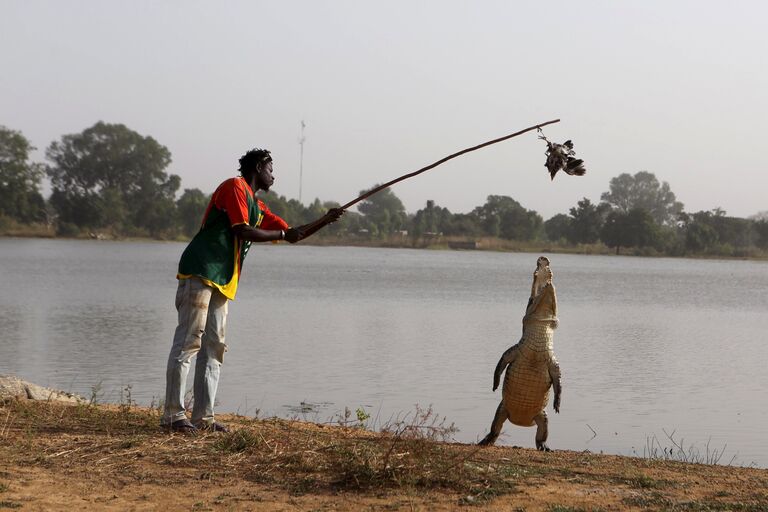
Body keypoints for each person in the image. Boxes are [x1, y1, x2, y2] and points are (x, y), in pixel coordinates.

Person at [162, 148, 343, 433]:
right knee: (189, 341)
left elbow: (292, 233)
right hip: (201, 270)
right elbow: (242, 230)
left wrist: (325, 219)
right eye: (271, 168)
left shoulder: (257, 207)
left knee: (214, 347)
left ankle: (203, 418)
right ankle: (173, 416)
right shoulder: (235, 187)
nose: (274, 175)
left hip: (223, 280)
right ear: (258, 167)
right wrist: (284, 234)